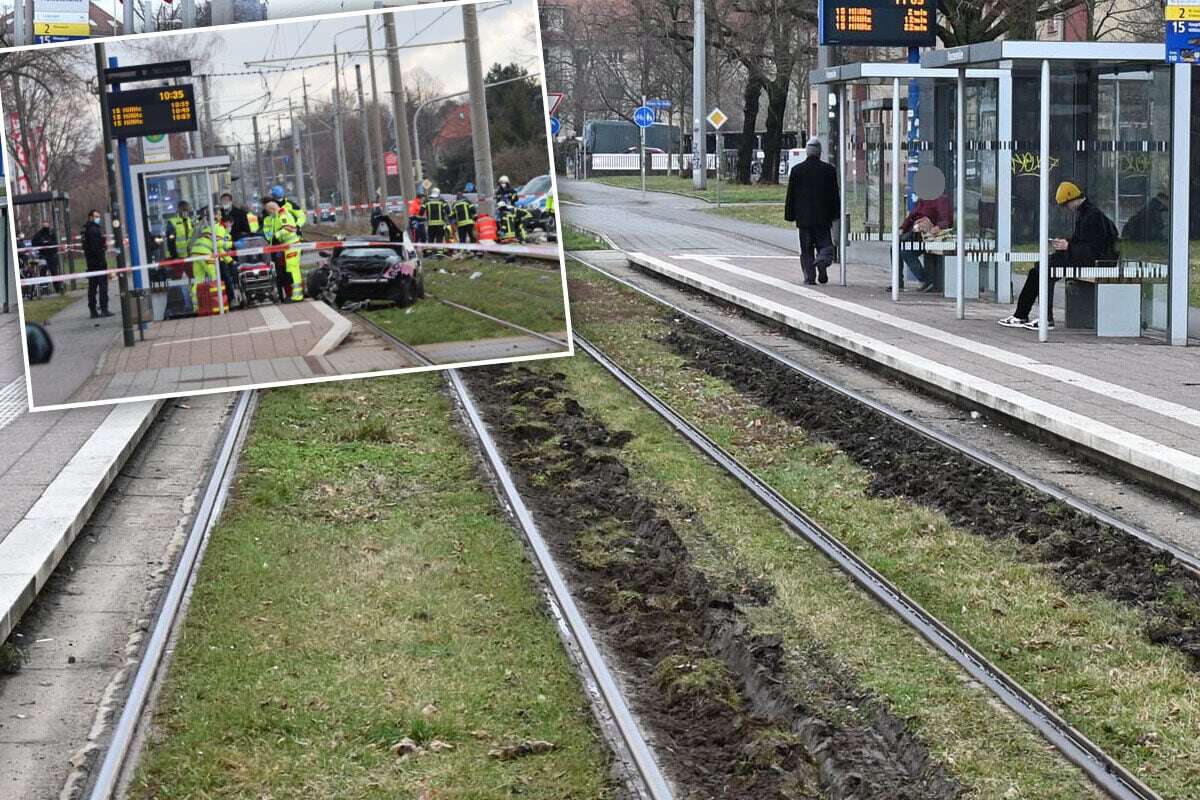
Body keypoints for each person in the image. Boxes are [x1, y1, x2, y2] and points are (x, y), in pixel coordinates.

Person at [999, 181, 1118, 331]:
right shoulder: (1087, 214)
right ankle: (1021, 314)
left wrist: (1068, 246)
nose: (1066, 209)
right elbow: (1085, 243)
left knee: (1045, 270)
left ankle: (1044, 318)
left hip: (1094, 261)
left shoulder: (1092, 216)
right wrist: (1066, 244)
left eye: (1066, 205)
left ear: (1072, 199)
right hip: (1084, 257)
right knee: (1038, 269)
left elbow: (1096, 248)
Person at [784, 137, 839, 285]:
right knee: (825, 246)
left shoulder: (797, 170)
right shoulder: (829, 170)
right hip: (823, 218)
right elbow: (834, 195)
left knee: (806, 249)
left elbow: (791, 195)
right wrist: (835, 214)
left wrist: (790, 214)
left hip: (804, 218)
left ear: (807, 153)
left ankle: (809, 276)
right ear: (820, 153)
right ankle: (822, 262)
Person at [899, 165, 953, 292]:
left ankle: (924, 279)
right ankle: (898, 281)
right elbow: (912, 216)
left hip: (929, 236)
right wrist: (902, 228)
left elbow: (946, 220)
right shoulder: (923, 199)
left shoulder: (940, 199)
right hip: (915, 233)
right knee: (896, 246)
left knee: (905, 250)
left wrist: (936, 227)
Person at [261, 199, 304, 302]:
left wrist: (277, 235)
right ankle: (297, 295)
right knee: (293, 270)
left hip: (292, 245)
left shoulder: (282, 214)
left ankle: (297, 296)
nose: (269, 214)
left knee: (292, 270)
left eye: (269, 212)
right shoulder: (277, 216)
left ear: (272, 209)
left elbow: (288, 228)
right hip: (287, 246)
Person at [189, 213, 234, 311]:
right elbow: (218, 245)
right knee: (215, 277)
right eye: (231, 225)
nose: (230, 227)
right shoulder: (221, 228)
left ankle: (196, 306)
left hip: (195, 251)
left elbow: (219, 250)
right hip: (205, 252)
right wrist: (232, 244)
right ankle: (218, 304)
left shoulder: (210, 228)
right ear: (227, 223)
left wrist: (229, 260)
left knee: (198, 279)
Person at [83, 210, 113, 319]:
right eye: (96, 216)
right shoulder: (94, 230)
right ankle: (104, 308)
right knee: (102, 286)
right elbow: (96, 248)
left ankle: (93, 310)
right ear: (90, 217)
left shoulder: (86, 230)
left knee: (92, 287)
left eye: (99, 216)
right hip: (98, 263)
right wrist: (102, 260)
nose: (98, 218)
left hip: (90, 263)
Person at [31, 224, 64, 295]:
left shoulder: (52, 233)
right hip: (43, 256)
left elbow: (55, 243)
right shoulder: (39, 235)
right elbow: (34, 243)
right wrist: (43, 244)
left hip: (52, 256)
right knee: (43, 270)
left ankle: (58, 288)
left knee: (54, 272)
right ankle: (44, 288)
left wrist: (46, 243)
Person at [424, 187, 450, 253]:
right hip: (440, 224)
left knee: (431, 238)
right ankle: (439, 252)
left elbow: (421, 212)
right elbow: (448, 210)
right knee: (439, 238)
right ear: (438, 193)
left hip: (430, 224)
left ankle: (430, 252)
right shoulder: (442, 201)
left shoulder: (427, 201)